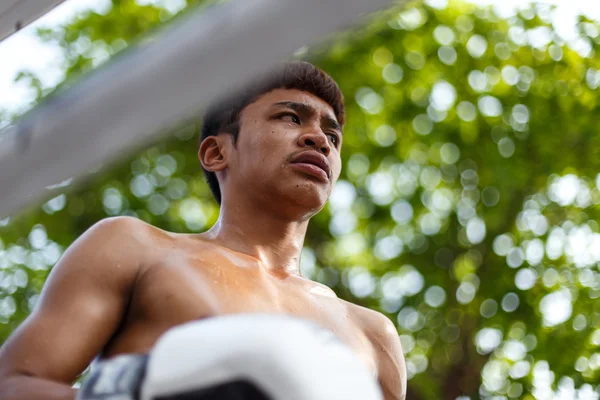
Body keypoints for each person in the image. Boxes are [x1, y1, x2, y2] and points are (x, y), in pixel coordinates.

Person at [0, 61, 407, 400]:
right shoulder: (134, 248)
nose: (319, 138)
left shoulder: (372, 335)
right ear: (217, 152)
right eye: (290, 116)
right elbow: (14, 384)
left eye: (333, 136)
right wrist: (139, 390)